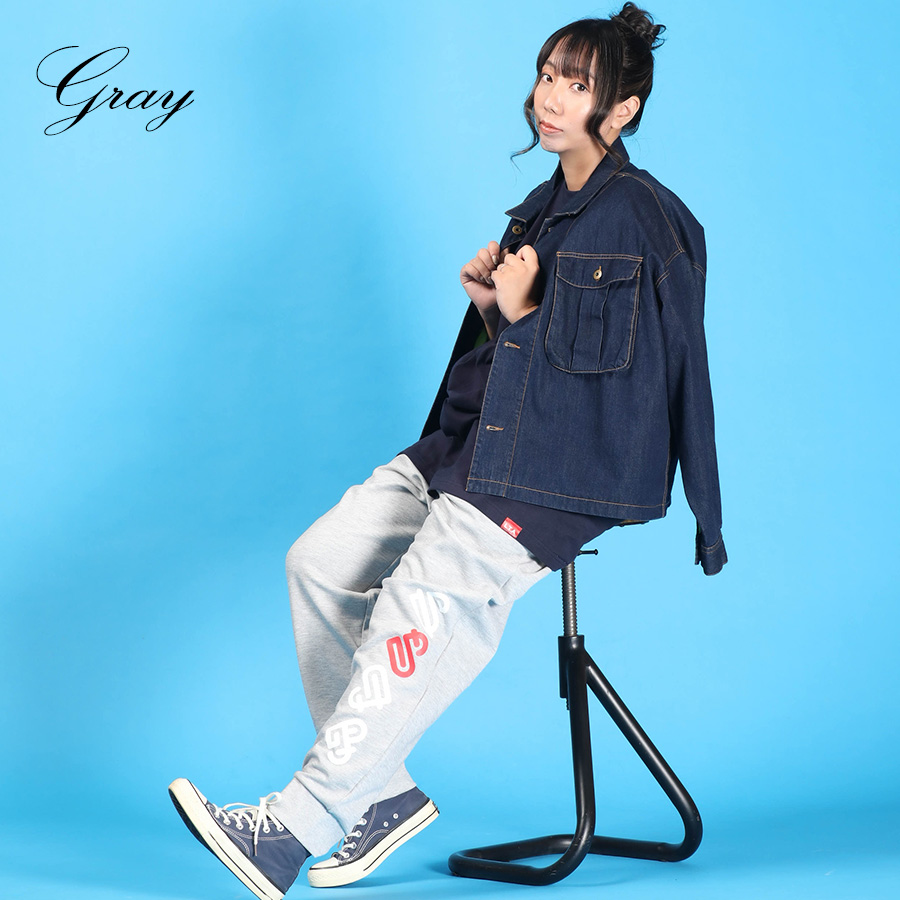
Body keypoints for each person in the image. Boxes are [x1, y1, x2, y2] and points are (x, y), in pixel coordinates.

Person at [168, 5, 727, 898]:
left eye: (576, 84)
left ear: (621, 109)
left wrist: (524, 316)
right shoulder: (542, 209)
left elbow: (639, 385)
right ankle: (381, 797)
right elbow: (534, 354)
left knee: (421, 607)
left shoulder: (646, 220)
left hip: (555, 473)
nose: (550, 98)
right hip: (473, 447)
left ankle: (295, 828)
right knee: (320, 562)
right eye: (547, 75)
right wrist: (494, 312)